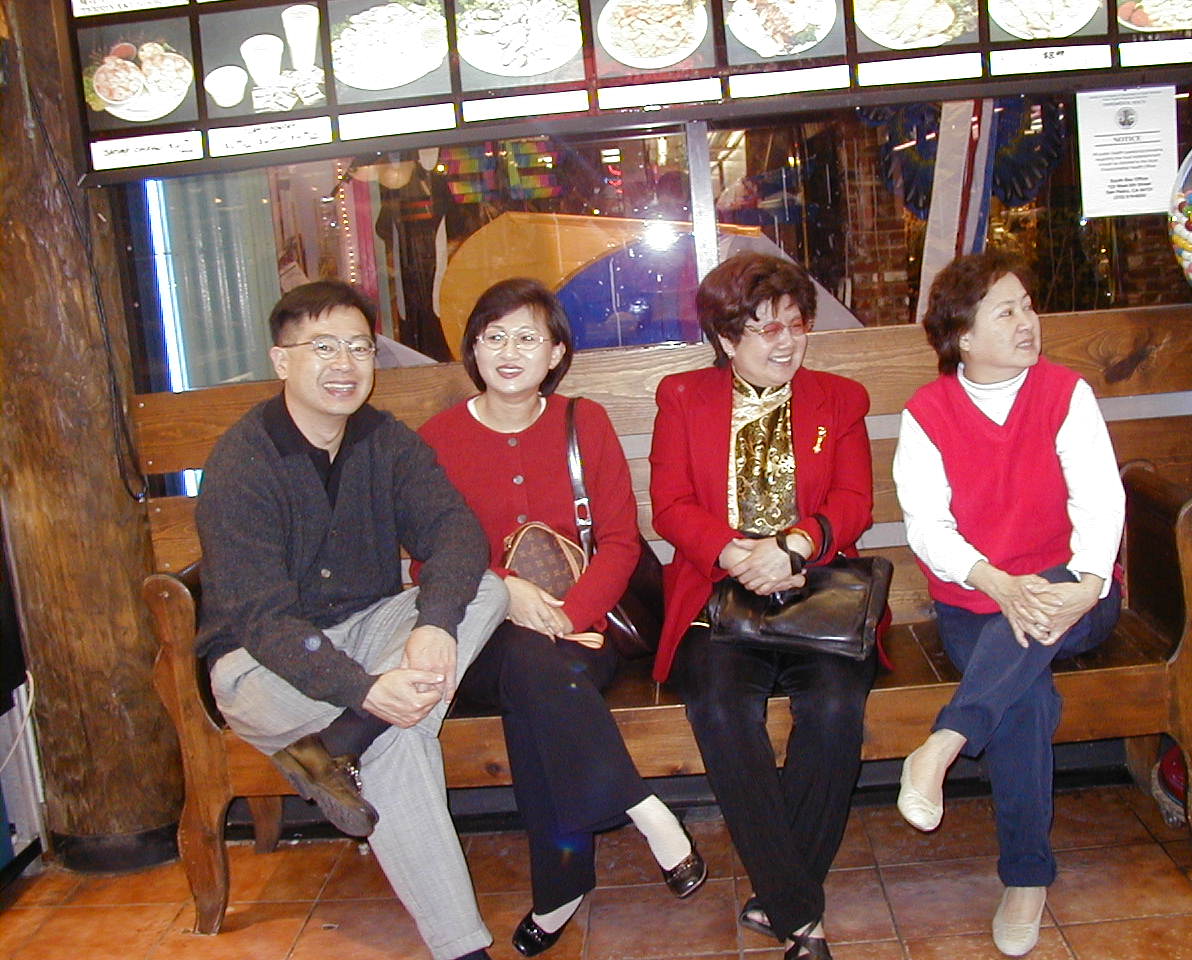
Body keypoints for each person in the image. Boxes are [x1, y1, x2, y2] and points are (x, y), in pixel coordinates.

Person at [195, 280, 506, 960]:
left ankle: (336, 748)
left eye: (360, 347)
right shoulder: (243, 463)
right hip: (259, 663)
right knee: (397, 736)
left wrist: (433, 624)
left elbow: (454, 531)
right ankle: (464, 949)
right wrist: (365, 692)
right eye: (324, 347)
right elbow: (263, 617)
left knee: (484, 591)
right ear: (282, 361)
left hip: (370, 630)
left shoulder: (383, 440)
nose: (345, 365)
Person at [417, 278, 706, 958]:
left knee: (535, 683)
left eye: (527, 337)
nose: (509, 351)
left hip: (586, 625)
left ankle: (562, 888)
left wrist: (567, 613)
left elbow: (620, 543)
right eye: (493, 337)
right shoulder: (437, 439)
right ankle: (643, 808)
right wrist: (505, 594)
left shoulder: (586, 421)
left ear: (555, 353)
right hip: (480, 634)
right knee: (525, 665)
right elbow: (422, 558)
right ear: (473, 351)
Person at [892, 249, 1124, 958]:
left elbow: (1100, 494)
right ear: (962, 335)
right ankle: (1026, 878)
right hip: (976, 603)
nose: (1029, 321)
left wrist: (1085, 582)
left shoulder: (1064, 393)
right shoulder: (928, 413)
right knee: (1023, 693)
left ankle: (943, 744)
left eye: (1028, 304)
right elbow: (927, 526)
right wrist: (995, 581)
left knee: (1032, 628)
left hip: (1073, 596)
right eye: (1007, 310)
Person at [649, 252, 877, 960]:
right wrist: (733, 552)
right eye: (763, 328)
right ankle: (799, 909)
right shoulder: (682, 398)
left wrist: (797, 545)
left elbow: (854, 502)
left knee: (837, 707)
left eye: (795, 324)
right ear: (725, 339)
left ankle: (783, 901)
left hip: (817, 595)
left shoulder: (840, 399)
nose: (785, 341)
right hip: (718, 596)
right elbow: (670, 506)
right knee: (718, 706)